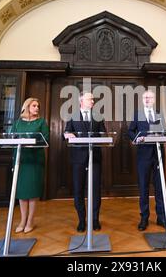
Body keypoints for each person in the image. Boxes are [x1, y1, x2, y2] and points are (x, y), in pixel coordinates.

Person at [64, 92, 106, 232]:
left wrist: (103, 137)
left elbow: (104, 134)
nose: (93, 101)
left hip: (95, 158)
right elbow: (66, 132)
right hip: (78, 159)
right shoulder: (73, 116)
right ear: (81, 101)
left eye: (93, 99)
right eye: (90, 99)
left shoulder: (98, 117)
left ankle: (95, 220)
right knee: (78, 190)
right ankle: (82, 220)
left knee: (95, 190)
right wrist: (67, 134)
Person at [128, 90, 166, 231]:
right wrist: (136, 138)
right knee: (144, 188)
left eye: (149, 97)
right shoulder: (137, 114)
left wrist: (162, 133)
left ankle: (162, 218)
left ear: (153, 99)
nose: (147, 99)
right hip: (143, 155)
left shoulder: (159, 113)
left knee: (160, 187)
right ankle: (144, 218)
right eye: (145, 97)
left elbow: (164, 130)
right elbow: (130, 131)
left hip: (158, 154)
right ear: (142, 100)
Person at [11, 98, 49, 234]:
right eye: (34, 105)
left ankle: (30, 220)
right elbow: (11, 138)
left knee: (32, 192)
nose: (37, 108)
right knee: (22, 192)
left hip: (34, 160)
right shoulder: (17, 123)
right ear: (26, 106)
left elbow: (45, 139)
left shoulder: (41, 122)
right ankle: (22, 220)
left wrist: (30, 141)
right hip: (21, 160)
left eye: (38, 106)